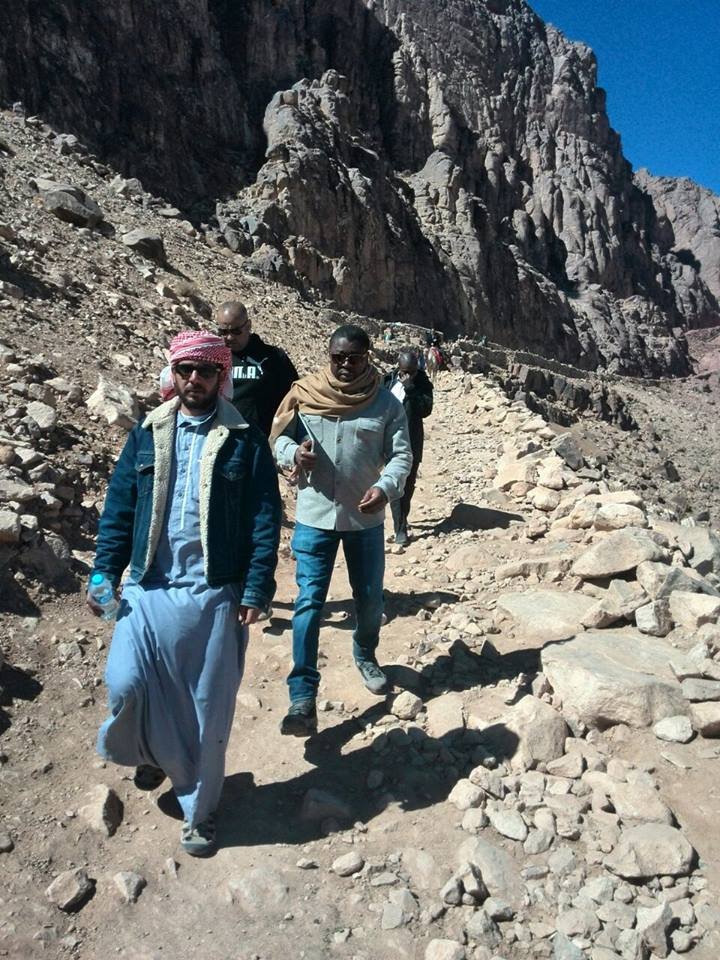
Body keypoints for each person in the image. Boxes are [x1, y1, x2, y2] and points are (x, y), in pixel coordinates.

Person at [88, 330, 281, 857]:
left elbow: (264, 517)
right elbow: (120, 507)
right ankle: (155, 752)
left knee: (206, 710)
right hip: (148, 586)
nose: (194, 379)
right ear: (172, 374)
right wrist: (104, 571)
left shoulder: (244, 439)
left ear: (222, 376)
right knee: (126, 683)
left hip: (214, 591)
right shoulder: (146, 433)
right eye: (185, 370)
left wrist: (256, 586)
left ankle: (200, 810)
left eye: (206, 371)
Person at [271, 324, 412, 737]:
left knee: (369, 600)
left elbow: (402, 455)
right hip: (314, 517)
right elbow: (278, 439)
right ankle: (302, 696)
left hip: (364, 520)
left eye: (354, 357)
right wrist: (293, 454)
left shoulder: (385, 404)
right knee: (308, 604)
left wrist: (386, 487)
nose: (346, 364)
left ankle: (365, 654)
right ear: (328, 355)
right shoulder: (306, 394)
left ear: (368, 357)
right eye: (338, 357)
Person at [216, 300, 298, 437]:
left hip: (263, 439)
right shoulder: (214, 359)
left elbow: (293, 397)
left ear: (248, 326)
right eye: (223, 332)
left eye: (236, 331)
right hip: (223, 437)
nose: (230, 337)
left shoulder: (273, 358)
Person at [383, 348, 433, 545]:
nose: (408, 375)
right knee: (396, 481)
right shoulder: (388, 381)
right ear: (399, 368)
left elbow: (425, 410)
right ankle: (400, 528)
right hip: (389, 441)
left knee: (409, 483)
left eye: (412, 371)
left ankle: (402, 517)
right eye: (405, 372)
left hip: (412, 440)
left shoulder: (422, 383)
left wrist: (411, 388)